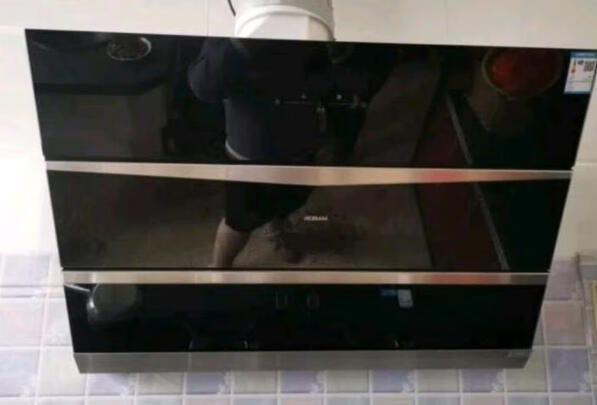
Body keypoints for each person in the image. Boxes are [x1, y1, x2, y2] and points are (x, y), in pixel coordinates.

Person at [188, 38, 331, 267]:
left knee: (290, 199)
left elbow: (327, 72)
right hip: (251, 147)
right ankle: (219, 268)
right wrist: (242, 43)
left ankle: (275, 229)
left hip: (300, 137)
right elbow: (203, 85)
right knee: (239, 220)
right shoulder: (233, 25)